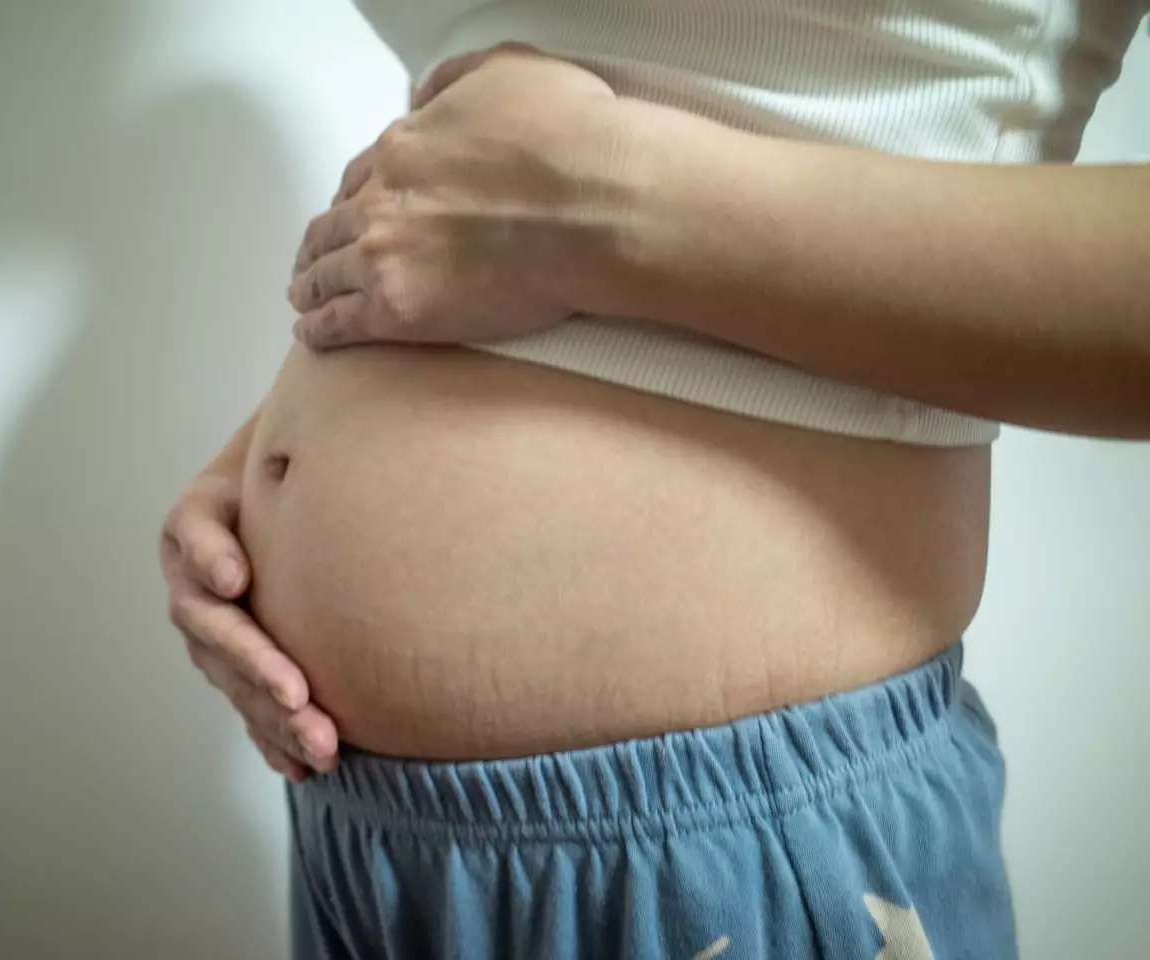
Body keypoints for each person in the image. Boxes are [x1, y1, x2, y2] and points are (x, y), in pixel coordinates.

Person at [160, 2, 1150, 957]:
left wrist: (596, 200)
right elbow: (476, 184)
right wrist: (263, 465)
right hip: (364, 838)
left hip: (723, 849)